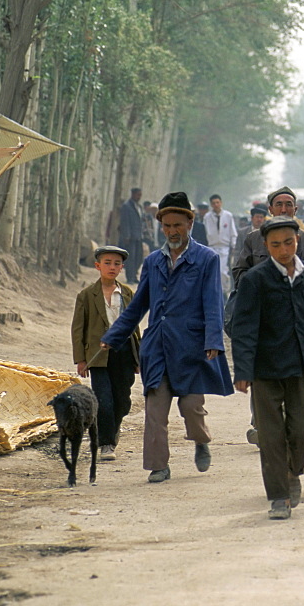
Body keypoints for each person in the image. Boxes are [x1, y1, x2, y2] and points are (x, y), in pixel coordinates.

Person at [101, 192, 233, 484]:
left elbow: (213, 302)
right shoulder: (152, 262)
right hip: (158, 346)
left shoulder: (206, 259)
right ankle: (159, 465)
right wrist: (114, 335)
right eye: (167, 226)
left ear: (189, 222)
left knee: (191, 408)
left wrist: (213, 340)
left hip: (192, 348)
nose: (172, 231)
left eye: (178, 225)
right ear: (161, 226)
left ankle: (201, 441)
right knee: (155, 410)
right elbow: (138, 305)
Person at [231, 216, 304, 520]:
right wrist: (243, 370)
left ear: (297, 241)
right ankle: (279, 497)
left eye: (289, 242)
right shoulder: (255, 280)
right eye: (275, 245)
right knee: (270, 435)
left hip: (301, 364)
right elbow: (243, 328)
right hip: (265, 368)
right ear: (266, 247)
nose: (283, 250)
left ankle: (294, 471)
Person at [71, 246, 140, 462]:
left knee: (122, 400)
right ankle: (106, 443)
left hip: (125, 354)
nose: (112, 267)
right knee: (103, 400)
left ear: (122, 268)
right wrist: (81, 359)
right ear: (98, 266)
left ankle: (113, 429)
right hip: (98, 356)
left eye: (117, 264)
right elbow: (78, 328)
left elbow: (134, 325)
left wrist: (138, 358)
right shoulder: (86, 296)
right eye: (107, 263)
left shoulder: (127, 293)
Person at [232, 186, 304, 284]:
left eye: (288, 205)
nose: (283, 210)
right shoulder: (253, 238)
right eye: (279, 205)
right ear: (270, 210)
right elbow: (240, 271)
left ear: (295, 209)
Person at [203, 194, 238, 297]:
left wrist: (233, 245)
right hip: (211, 246)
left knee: (223, 271)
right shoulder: (207, 217)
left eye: (217, 202)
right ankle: (213, 292)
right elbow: (206, 232)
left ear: (221, 203)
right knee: (212, 271)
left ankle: (224, 292)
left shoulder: (228, 216)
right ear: (211, 205)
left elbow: (233, 232)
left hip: (225, 247)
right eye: (214, 203)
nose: (216, 205)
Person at [118, 188, 144, 284]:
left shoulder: (139, 207)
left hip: (138, 236)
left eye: (140, 195)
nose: (139, 197)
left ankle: (134, 275)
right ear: (133, 194)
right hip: (130, 236)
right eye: (138, 194)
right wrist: (126, 235)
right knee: (131, 258)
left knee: (139, 257)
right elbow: (125, 222)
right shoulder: (126, 206)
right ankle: (130, 277)